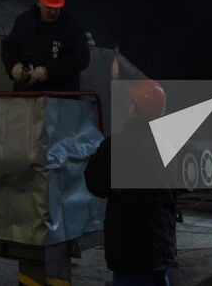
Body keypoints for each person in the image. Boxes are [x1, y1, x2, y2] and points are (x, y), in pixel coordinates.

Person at [85, 80, 177, 286]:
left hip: (127, 246)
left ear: (135, 108)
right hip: (159, 243)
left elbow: (95, 184)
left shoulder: (114, 146)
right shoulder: (167, 146)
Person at [1, 0, 91, 92]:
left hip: (62, 100)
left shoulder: (71, 26)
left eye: (57, 8)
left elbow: (81, 58)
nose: (53, 12)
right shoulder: (23, 22)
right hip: (26, 98)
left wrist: (48, 71)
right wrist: (14, 66)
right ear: (39, 2)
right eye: (49, 7)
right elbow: (9, 47)